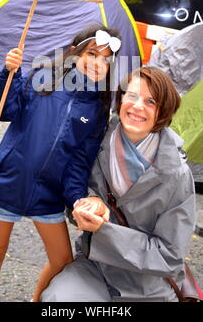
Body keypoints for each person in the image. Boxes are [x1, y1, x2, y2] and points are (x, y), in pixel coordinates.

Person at [0, 24, 121, 302]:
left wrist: (78, 200)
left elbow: (80, 163)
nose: (97, 64)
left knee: (63, 262)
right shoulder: (42, 78)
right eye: (92, 54)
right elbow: (2, 111)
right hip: (9, 181)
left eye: (105, 60)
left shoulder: (97, 109)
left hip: (49, 195)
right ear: (73, 53)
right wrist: (10, 72)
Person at [41, 66, 196, 302]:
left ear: (163, 112)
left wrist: (104, 231)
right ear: (121, 99)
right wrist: (87, 202)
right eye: (131, 96)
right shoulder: (96, 138)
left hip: (147, 286)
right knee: (59, 299)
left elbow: (170, 256)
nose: (137, 106)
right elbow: (73, 186)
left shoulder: (177, 175)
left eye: (151, 101)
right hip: (94, 267)